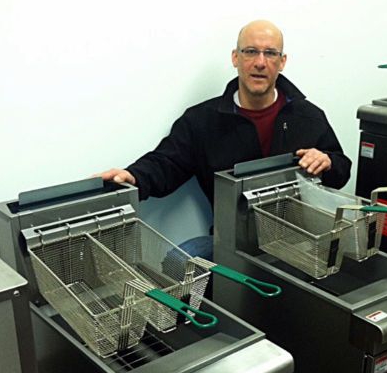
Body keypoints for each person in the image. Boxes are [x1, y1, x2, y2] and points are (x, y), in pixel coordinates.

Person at [99, 19, 351, 260]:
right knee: (180, 260)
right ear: (235, 58)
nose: (260, 62)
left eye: (270, 53)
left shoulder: (308, 116)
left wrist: (327, 162)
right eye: (250, 51)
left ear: (282, 62)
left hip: (298, 242)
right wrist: (133, 176)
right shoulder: (202, 121)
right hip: (230, 243)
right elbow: (166, 163)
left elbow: (341, 170)